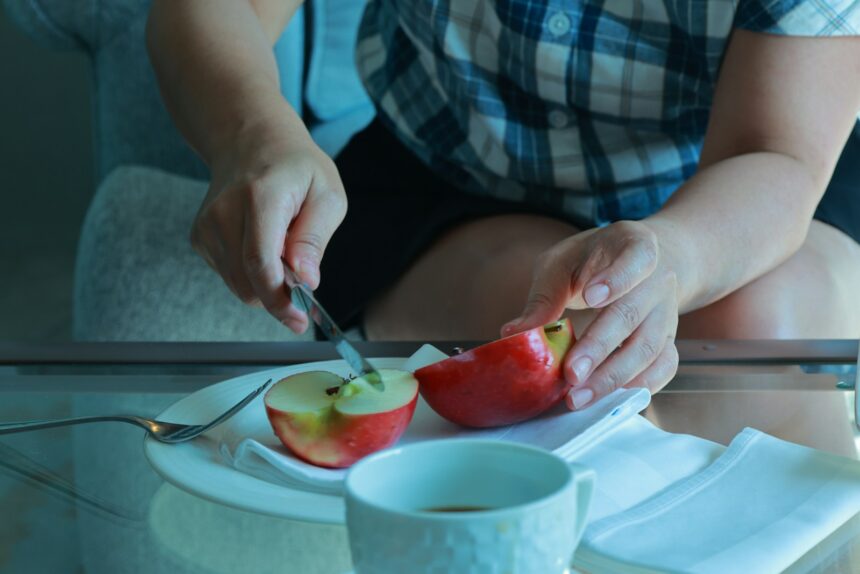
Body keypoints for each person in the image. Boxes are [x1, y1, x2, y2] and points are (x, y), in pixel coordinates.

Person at [146, 0, 860, 411]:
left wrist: (676, 253)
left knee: (763, 323)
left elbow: (773, 152)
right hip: (451, 174)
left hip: (740, 184)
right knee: (551, 348)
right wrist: (253, 135)